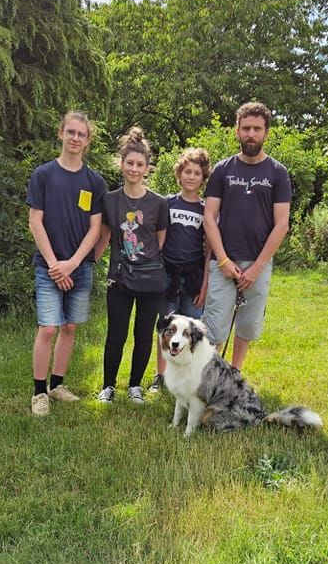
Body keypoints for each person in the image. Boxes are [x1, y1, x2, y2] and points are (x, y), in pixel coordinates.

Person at [27, 111, 107, 416]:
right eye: (71, 132)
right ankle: (38, 393)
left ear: (88, 141)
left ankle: (57, 385)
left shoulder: (94, 181)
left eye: (81, 134)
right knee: (48, 328)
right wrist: (54, 265)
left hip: (79, 268)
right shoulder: (44, 175)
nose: (75, 138)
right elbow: (35, 222)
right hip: (48, 266)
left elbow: (95, 229)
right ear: (61, 133)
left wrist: (72, 264)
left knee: (70, 327)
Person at [203, 101, 291, 370]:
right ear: (237, 131)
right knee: (215, 325)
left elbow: (282, 224)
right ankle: (210, 376)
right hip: (224, 263)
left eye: (257, 128)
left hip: (257, 265)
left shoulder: (277, 173)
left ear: (266, 133)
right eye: (246, 128)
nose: (251, 134)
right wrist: (223, 260)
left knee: (248, 324)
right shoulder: (223, 170)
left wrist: (257, 267)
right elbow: (209, 217)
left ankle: (235, 373)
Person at [95, 127, 168, 404]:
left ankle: (135, 385)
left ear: (148, 168)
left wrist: (143, 262)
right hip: (119, 278)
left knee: (143, 334)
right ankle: (108, 386)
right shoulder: (110, 200)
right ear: (121, 164)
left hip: (150, 279)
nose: (134, 169)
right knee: (116, 333)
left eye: (140, 164)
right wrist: (90, 263)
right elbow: (104, 235)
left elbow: (160, 239)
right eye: (130, 163)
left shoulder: (158, 203)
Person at [147, 147, 211, 394]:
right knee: (166, 328)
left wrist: (205, 284)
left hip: (194, 277)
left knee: (191, 329)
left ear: (203, 178)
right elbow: (157, 239)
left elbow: (208, 251)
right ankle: (160, 376)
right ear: (179, 174)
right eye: (187, 171)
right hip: (168, 275)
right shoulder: (167, 203)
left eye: (196, 173)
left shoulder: (206, 210)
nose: (191, 177)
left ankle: (189, 378)